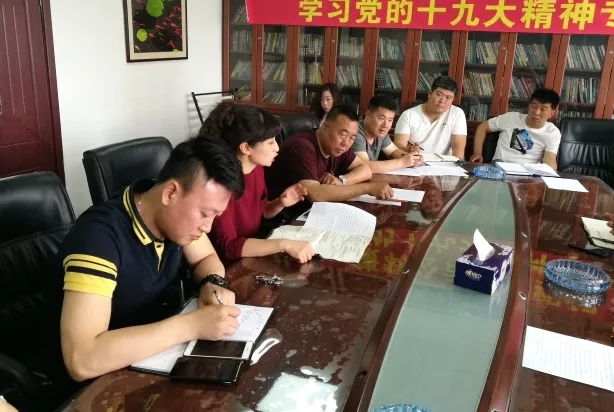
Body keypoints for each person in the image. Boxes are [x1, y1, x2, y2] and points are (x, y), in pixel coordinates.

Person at [43, 136, 245, 397]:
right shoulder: (98, 239)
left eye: (216, 216)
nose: (208, 227)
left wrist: (212, 283)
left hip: (148, 360)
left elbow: (206, 259)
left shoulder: (171, 218)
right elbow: (82, 360)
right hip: (93, 388)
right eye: (205, 214)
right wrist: (191, 325)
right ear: (170, 193)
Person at [200, 102, 314, 264]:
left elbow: (261, 213)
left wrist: (280, 203)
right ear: (246, 147)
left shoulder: (256, 168)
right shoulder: (221, 183)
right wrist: (283, 244)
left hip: (252, 253)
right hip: (228, 265)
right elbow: (228, 247)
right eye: (270, 142)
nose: (277, 148)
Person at [264, 105, 393, 215]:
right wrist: (367, 188)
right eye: (342, 134)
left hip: (312, 212)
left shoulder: (338, 147)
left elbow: (365, 170)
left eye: (352, 138)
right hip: (282, 218)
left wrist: (342, 180)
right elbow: (315, 194)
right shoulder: (302, 147)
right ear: (325, 127)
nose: (346, 143)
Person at [470, 87, 561, 169]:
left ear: (551, 113)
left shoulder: (552, 133)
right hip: (499, 167)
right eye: (534, 106)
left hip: (527, 173)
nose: (537, 112)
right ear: (529, 106)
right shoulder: (511, 118)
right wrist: (477, 153)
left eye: (543, 109)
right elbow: (483, 127)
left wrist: (549, 171)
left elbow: (550, 160)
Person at [393, 76, 467, 159]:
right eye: (439, 95)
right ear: (430, 94)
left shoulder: (457, 114)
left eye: (448, 97)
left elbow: (458, 152)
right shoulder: (409, 115)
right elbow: (398, 147)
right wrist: (409, 150)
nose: (442, 101)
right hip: (415, 162)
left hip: (445, 163)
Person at [352, 95, 422, 173]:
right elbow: (363, 166)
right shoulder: (354, 132)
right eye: (382, 118)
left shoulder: (379, 132)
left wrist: (412, 158)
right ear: (368, 114)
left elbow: (393, 151)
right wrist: (401, 162)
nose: (385, 125)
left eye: (390, 120)